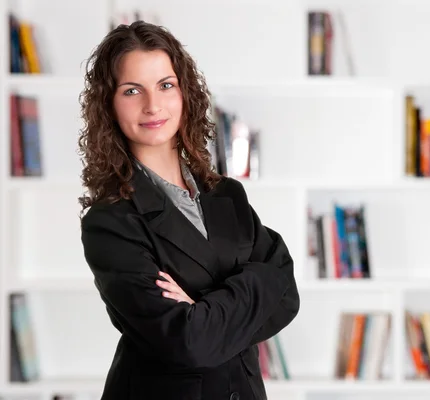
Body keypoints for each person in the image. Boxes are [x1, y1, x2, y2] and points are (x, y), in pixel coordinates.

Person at [77, 20, 300, 400]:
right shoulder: (109, 222)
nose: (153, 105)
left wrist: (204, 309)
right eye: (132, 91)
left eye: (166, 85)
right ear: (110, 105)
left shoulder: (227, 194)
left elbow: (287, 292)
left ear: (185, 94)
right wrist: (251, 286)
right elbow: (189, 343)